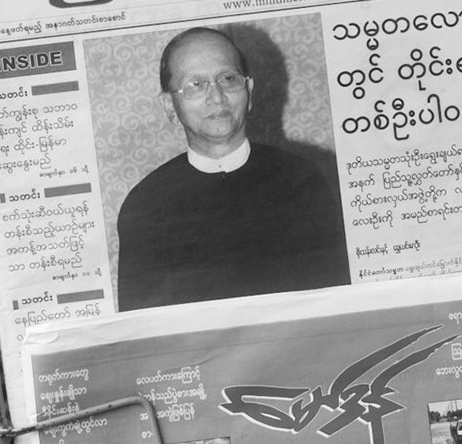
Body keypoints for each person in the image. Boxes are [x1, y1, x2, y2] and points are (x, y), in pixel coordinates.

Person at [114, 27, 349, 311]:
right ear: (169, 106)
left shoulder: (304, 181)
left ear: (248, 90)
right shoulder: (145, 205)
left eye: (228, 79)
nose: (217, 97)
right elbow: (141, 332)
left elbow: (337, 306)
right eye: (196, 85)